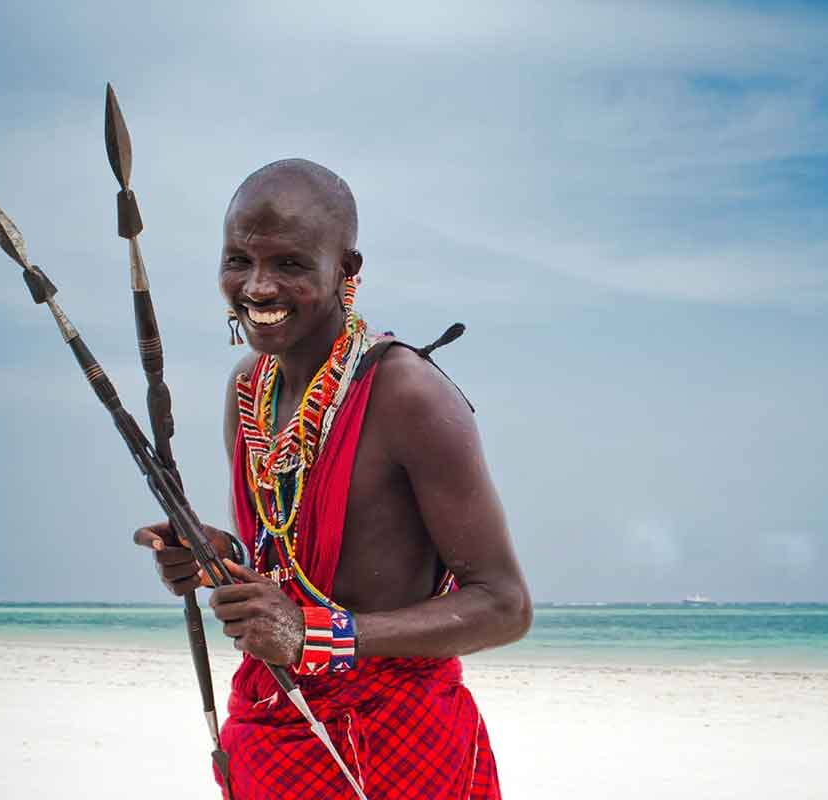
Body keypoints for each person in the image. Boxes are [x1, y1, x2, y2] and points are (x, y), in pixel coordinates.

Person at [132, 159, 532, 799]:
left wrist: (319, 635)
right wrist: (217, 559)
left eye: (289, 264)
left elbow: (505, 605)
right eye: (239, 260)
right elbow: (284, 557)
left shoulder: (407, 395)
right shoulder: (248, 389)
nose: (258, 287)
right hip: (274, 733)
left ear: (346, 271)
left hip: (395, 749)